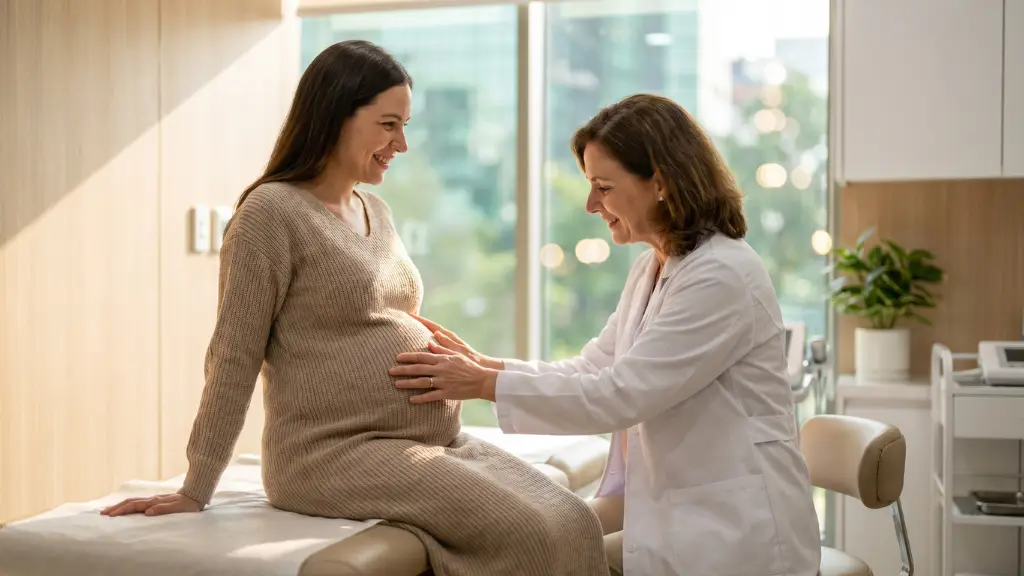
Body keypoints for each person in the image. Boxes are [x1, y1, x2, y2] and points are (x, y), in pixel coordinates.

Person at [100, 40, 610, 576]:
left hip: (430, 439)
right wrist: (196, 486)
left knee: (573, 519)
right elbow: (232, 355)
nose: (402, 144)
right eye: (389, 124)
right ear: (335, 116)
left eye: (405, 125)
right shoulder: (270, 214)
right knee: (529, 532)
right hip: (332, 454)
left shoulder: (376, 209)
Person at [391, 94, 823, 576]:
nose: (592, 204)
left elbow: (621, 394)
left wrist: (483, 384)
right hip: (680, 523)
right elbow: (594, 366)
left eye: (604, 186)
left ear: (659, 182)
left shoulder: (721, 275)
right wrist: (488, 368)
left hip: (733, 538)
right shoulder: (654, 266)